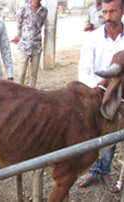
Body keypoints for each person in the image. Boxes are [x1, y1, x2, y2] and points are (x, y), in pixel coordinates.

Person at [77, 0, 124, 193]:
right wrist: (95, 90)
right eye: (104, 12)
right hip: (96, 94)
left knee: (112, 135)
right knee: (92, 134)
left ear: (122, 11)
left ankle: (104, 171)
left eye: (112, 11)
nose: (107, 17)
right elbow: (84, 69)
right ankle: (92, 171)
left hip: (121, 97)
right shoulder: (93, 38)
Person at [11, 0, 47, 87]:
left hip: (37, 46)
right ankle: (19, 93)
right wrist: (19, 36)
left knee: (34, 74)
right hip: (25, 45)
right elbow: (19, 23)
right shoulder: (24, 9)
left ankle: (32, 93)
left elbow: (40, 25)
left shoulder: (44, 11)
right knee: (21, 73)